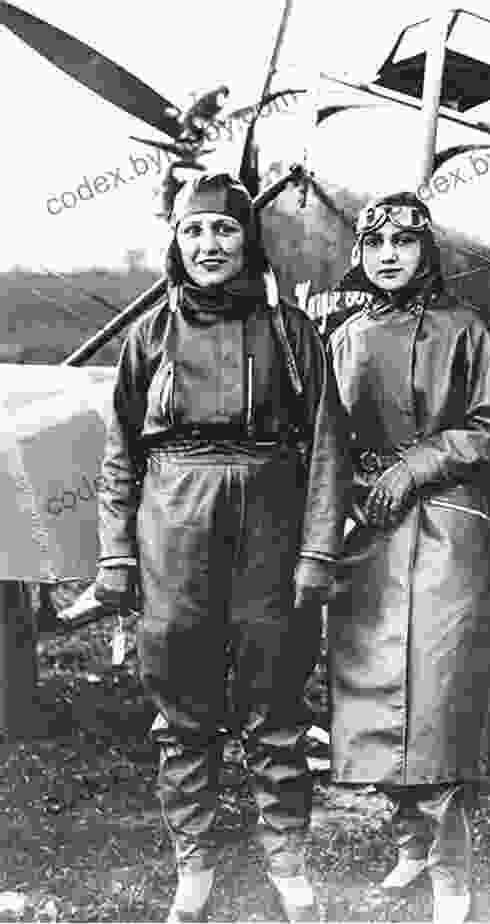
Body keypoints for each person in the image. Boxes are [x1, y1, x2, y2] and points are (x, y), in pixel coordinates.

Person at [93, 172, 350, 922]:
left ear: (248, 240)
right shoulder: (149, 337)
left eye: (224, 230)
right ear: (175, 242)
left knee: (276, 701)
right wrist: (117, 556)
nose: (209, 245)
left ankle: (288, 863)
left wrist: (316, 554)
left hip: (271, 523)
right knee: (182, 706)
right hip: (173, 525)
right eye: (193, 231)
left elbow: (328, 449)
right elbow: (119, 458)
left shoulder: (293, 334)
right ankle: (195, 866)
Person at [327, 192, 490, 923]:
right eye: (374, 241)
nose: (387, 255)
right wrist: (351, 486)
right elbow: (328, 439)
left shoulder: (463, 330)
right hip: (370, 535)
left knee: (433, 701)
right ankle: (409, 839)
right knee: (375, 693)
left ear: (427, 252)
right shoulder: (344, 337)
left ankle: (453, 876)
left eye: (404, 242)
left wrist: (416, 466)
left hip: (443, 526)